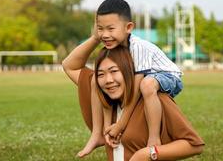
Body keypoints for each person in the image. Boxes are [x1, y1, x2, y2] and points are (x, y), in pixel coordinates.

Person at [71, 0, 183, 157]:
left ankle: (153, 137)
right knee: (96, 80)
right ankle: (97, 134)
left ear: (128, 27)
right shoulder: (115, 46)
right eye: (100, 29)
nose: (105, 35)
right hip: (145, 77)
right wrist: (108, 127)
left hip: (168, 76)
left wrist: (120, 125)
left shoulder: (137, 47)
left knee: (147, 85)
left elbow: (136, 88)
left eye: (111, 29)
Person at [62, 42, 204, 160]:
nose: (108, 80)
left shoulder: (155, 99)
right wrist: (97, 36)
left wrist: (148, 154)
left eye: (114, 71)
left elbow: (194, 145)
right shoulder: (101, 98)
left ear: (130, 72)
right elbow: (69, 65)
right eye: (101, 74)